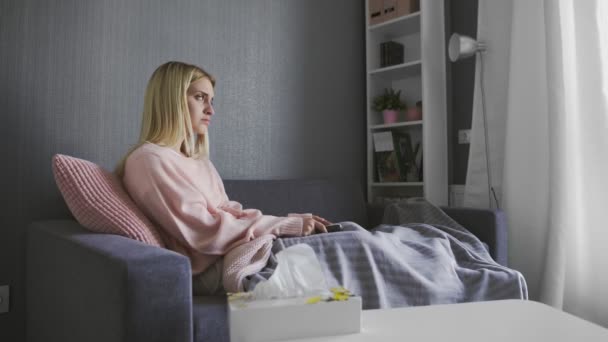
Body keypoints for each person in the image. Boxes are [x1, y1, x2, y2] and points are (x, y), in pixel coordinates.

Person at [116, 61, 330, 295]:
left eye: (211, 100)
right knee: (347, 247)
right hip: (215, 265)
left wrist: (284, 224)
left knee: (349, 233)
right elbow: (205, 231)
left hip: (237, 248)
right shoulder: (148, 160)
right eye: (200, 97)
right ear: (171, 99)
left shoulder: (199, 162)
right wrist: (283, 225)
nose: (210, 110)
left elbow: (230, 212)